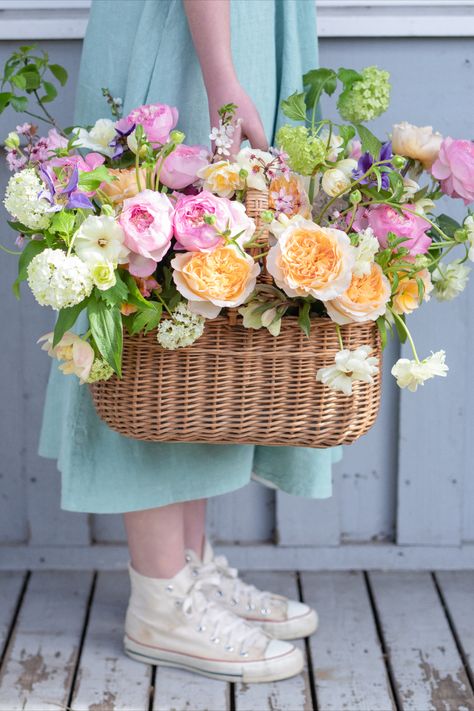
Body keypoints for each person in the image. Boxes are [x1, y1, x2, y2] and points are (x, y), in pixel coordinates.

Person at [39, 0, 342, 683]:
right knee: (160, 295)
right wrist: (222, 77)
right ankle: (160, 592)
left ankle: (190, 567)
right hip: (183, 39)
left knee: (208, 316)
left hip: (230, 32)